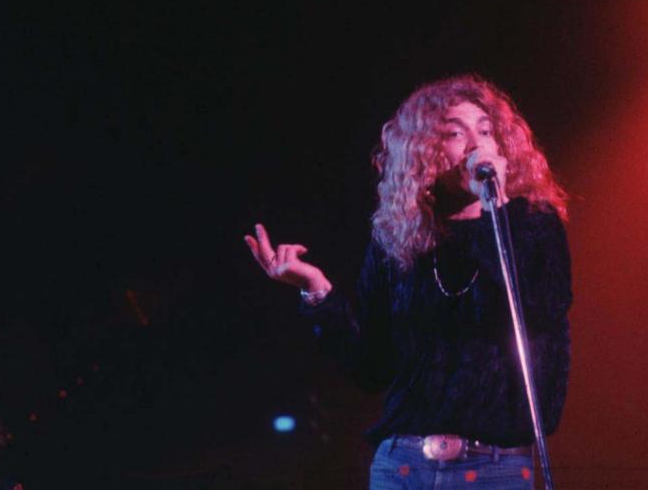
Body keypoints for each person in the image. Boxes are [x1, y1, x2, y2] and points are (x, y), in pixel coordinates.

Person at [245, 74, 571, 488]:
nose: (477, 144)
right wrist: (316, 291)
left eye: (485, 131)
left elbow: (543, 305)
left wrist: (497, 209)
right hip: (404, 467)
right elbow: (371, 367)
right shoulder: (399, 238)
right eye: (456, 132)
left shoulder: (533, 226)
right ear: (427, 151)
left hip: (496, 467)